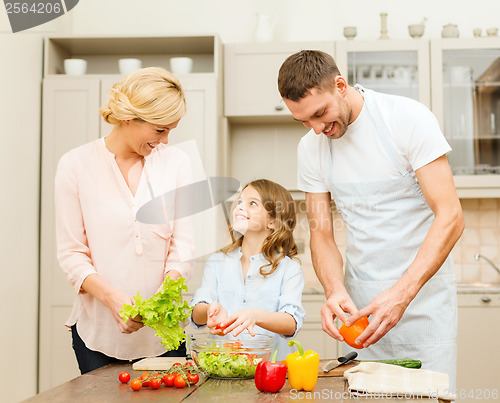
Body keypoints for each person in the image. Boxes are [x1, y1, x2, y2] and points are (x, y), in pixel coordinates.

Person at [277, 50, 464, 387]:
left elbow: (450, 215)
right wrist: (333, 290)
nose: (317, 129)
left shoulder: (406, 119)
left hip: (423, 305)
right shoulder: (311, 148)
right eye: (304, 121)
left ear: (340, 85)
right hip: (360, 315)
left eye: (320, 114)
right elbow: (321, 235)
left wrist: (401, 295)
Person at [55, 67, 195, 374]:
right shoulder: (75, 165)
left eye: (171, 130)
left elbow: (183, 246)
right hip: (97, 335)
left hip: (164, 335)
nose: (166, 140)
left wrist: (166, 293)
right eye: (160, 130)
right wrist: (112, 299)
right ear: (129, 118)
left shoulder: (177, 163)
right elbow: (71, 253)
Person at [190, 179, 306, 361]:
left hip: (270, 371)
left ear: (273, 223)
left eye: (252, 203)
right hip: (223, 368)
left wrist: (255, 315)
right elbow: (197, 315)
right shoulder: (217, 262)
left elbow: (291, 322)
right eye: (240, 202)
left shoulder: (289, 269)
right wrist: (209, 310)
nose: (241, 207)